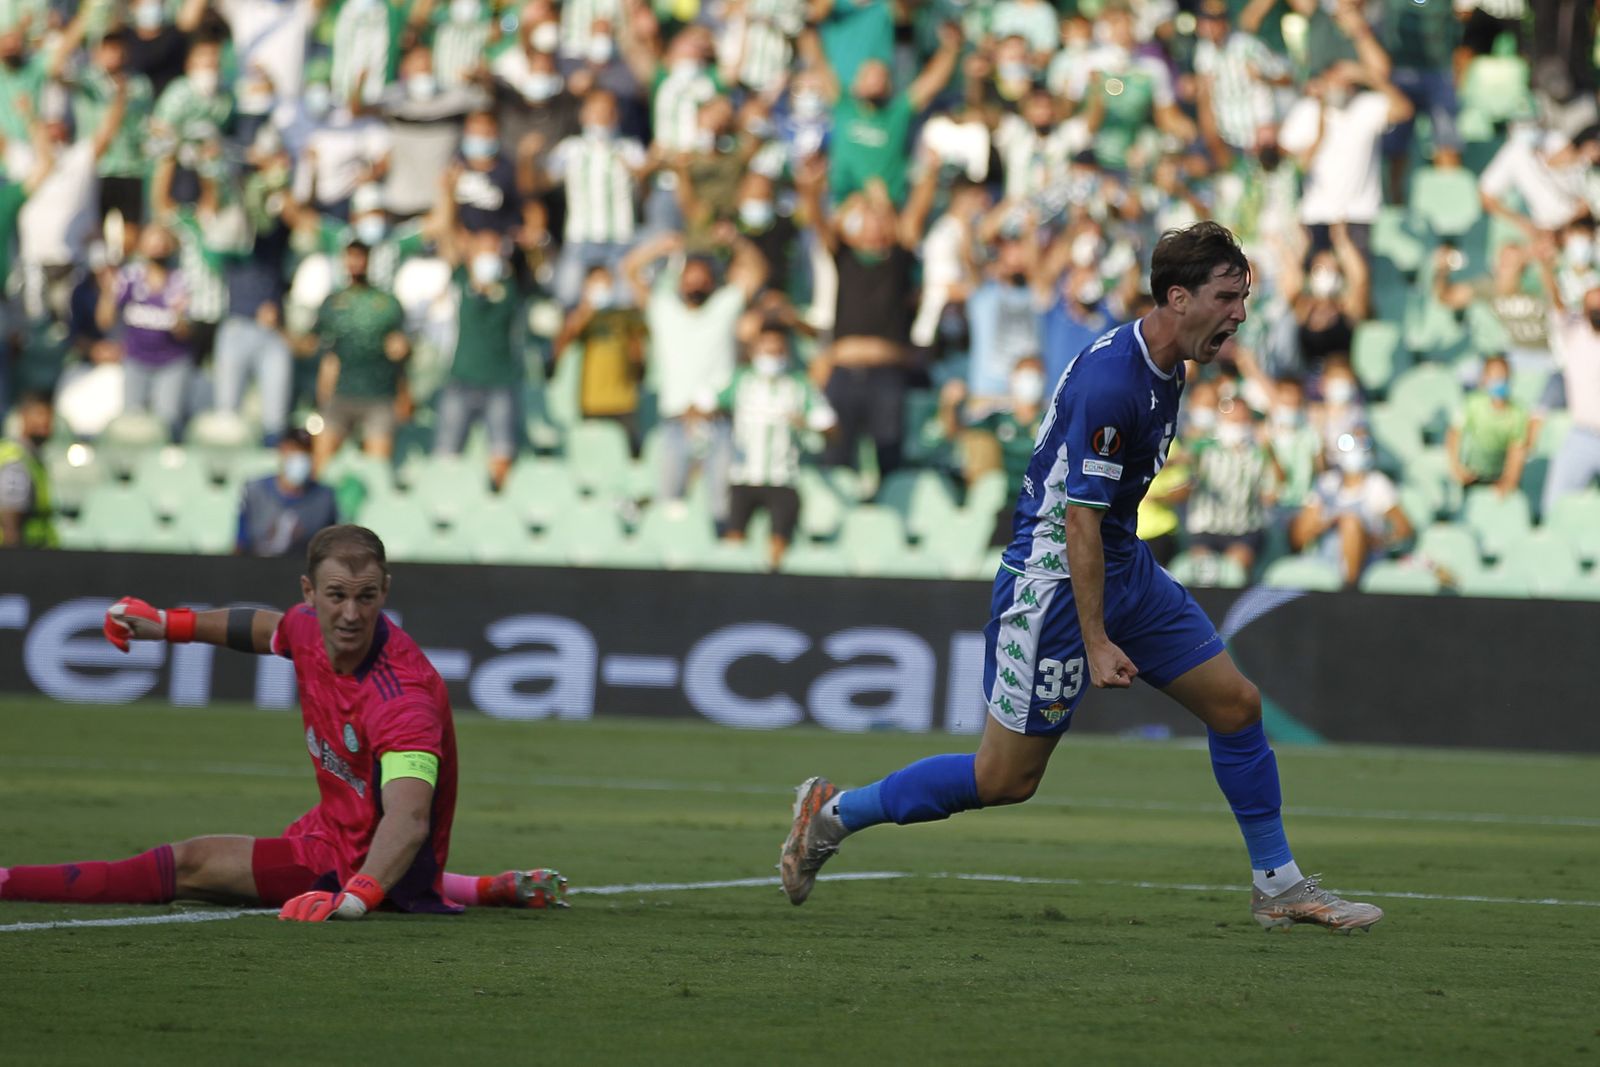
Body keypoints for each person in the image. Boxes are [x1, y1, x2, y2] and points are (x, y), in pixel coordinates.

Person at [780, 223, 1383, 931]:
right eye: (1228, 297)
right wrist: (1095, 638)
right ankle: (833, 811)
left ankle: (1278, 885)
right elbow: (1077, 523)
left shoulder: (1170, 366)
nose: (1239, 315)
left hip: (1120, 561)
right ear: (1178, 296)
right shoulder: (1112, 382)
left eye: (1244, 298)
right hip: (1057, 579)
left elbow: (1106, 520)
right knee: (1004, 779)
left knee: (1236, 705)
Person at [0, 526, 566, 917]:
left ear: (385, 591)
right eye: (337, 596)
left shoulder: (402, 699)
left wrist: (355, 896)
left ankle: (9, 880)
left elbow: (410, 818)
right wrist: (168, 625)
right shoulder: (307, 628)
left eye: (366, 597)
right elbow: (262, 628)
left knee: (190, 863)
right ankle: (482, 888)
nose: (350, 614)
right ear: (310, 593)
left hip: (359, 867)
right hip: (328, 826)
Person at [622, 227, 767, 522]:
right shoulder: (664, 310)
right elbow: (629, 269)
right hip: (676, 422)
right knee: (669, 505)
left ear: (713, 281)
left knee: (721, 507)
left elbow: (757, 272)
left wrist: (734, 241)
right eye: (691, 275)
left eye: (703, 276)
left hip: (719, 422)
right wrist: (660, 247)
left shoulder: (724, 308)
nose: (696, 281)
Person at [715, 326, 837, 569]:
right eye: (766, 349)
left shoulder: (800, 386)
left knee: (779, 545)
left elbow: (831, 427)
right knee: (733, 542)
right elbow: (707, 404)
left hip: (783, 479)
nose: (771, 356)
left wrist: (806, 423)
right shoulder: (739, 380)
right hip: (743, 476)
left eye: (777, 350)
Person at [310, 243, 411, 469]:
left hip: (379, 395)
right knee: (321, 462)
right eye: (350, 258)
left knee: (377, 467)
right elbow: (325, 353)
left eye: (360, 258)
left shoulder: (387, 304)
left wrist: (404, 392)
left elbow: (402, 354)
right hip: (342, 393)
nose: (355, 264)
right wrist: (322, 395)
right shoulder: (332, 304)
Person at [1290, 430, 1412, 586]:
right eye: (1349, 442)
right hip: (1325, 556)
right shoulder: (1326, 483)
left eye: (1363, 443)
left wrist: (1380, 540)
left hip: (1366, 560)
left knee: (1350, 523)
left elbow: (1404, 529)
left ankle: (1349, 588)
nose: (1355, 449)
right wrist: (1324, 524)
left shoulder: (1377, 484)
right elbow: (1299, 536)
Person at [551, 264, 648, 452]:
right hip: (592, 403)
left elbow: (638, 348)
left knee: (629, 457)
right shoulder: (579, 317)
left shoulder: (624, 315)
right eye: (596, 281)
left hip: (624, 401)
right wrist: (586, 309)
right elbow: (561, 344)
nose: (603, 286)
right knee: (594, 457)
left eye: (606, 281)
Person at [1537, 275, 1600, 514]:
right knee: (1554, 508)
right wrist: (1548, 271)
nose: (1597, 310)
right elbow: (1558, 306)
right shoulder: (1575, 335)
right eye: (1592, 305)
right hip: (1582, 436)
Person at [237, 429, 338, 557]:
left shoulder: (325, 497)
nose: (300, 456)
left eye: (305, 451)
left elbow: (328, 547)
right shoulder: (254, 490)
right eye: (294, 450)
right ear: (282, 451)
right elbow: (240, 541)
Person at [1446, 355, 1531, 496]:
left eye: (1502, 376)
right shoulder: (1472, 404)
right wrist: (1457, 468)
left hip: (1499, 477)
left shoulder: (1518, 413)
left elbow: (1517, 450)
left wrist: (1509, 481)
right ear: (1484, 379)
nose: (1499, 380)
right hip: (1471, 476)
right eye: (1493, 376)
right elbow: (1454, 433)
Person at [0, 392, 56, 549]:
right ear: (23, 417)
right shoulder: (16, 459)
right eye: (38, 414)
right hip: (22, 554)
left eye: (49, 416)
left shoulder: (33, 457)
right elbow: (10, 514)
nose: (44, 421)